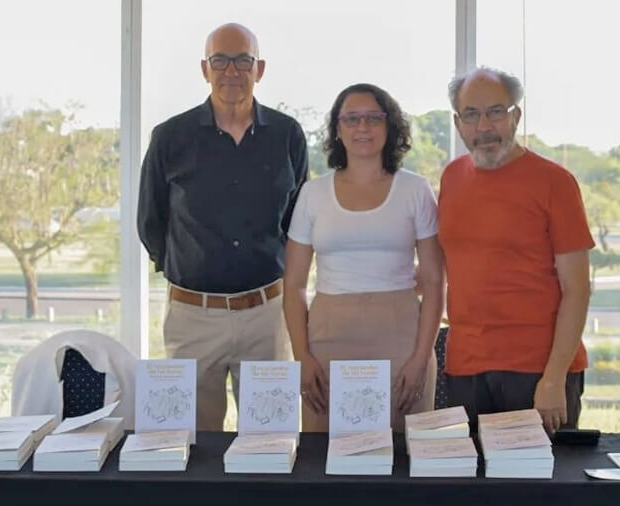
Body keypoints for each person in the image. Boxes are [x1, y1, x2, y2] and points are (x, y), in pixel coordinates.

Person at [137, 23, 309, 431]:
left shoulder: (287, 136)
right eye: (220, 61)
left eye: (242, 61)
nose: (231, 71)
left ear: (259, 68)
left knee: (272, 440)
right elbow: (150, 221)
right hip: (192, 319)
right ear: (205, 68)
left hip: (268, 318)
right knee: (186, 445)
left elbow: (298, 221)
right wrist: (190, 267)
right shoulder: (169, 137)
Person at [438, 67, 594, 434]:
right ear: (458, 123)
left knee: (541, 490)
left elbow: (578, 289)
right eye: (471, 115)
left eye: (496, 112)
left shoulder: (555, 182)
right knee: (472, 487)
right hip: (465, 368)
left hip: (537, 372)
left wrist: (554, 378)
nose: (484, 127)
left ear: (516, 116)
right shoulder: (451, 178)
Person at [283, 83, 444, 432]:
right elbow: (294, 284)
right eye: (352, 119)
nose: (362, 127)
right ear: (337, 129)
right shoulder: (312, 193)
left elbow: (433, 281)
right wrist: (302, 357)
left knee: (405, 457)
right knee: (325, 458)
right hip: (327, 337)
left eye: (373, 118)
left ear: (390, 126)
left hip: (402, 337)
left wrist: (421, 358)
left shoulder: (415, 190)